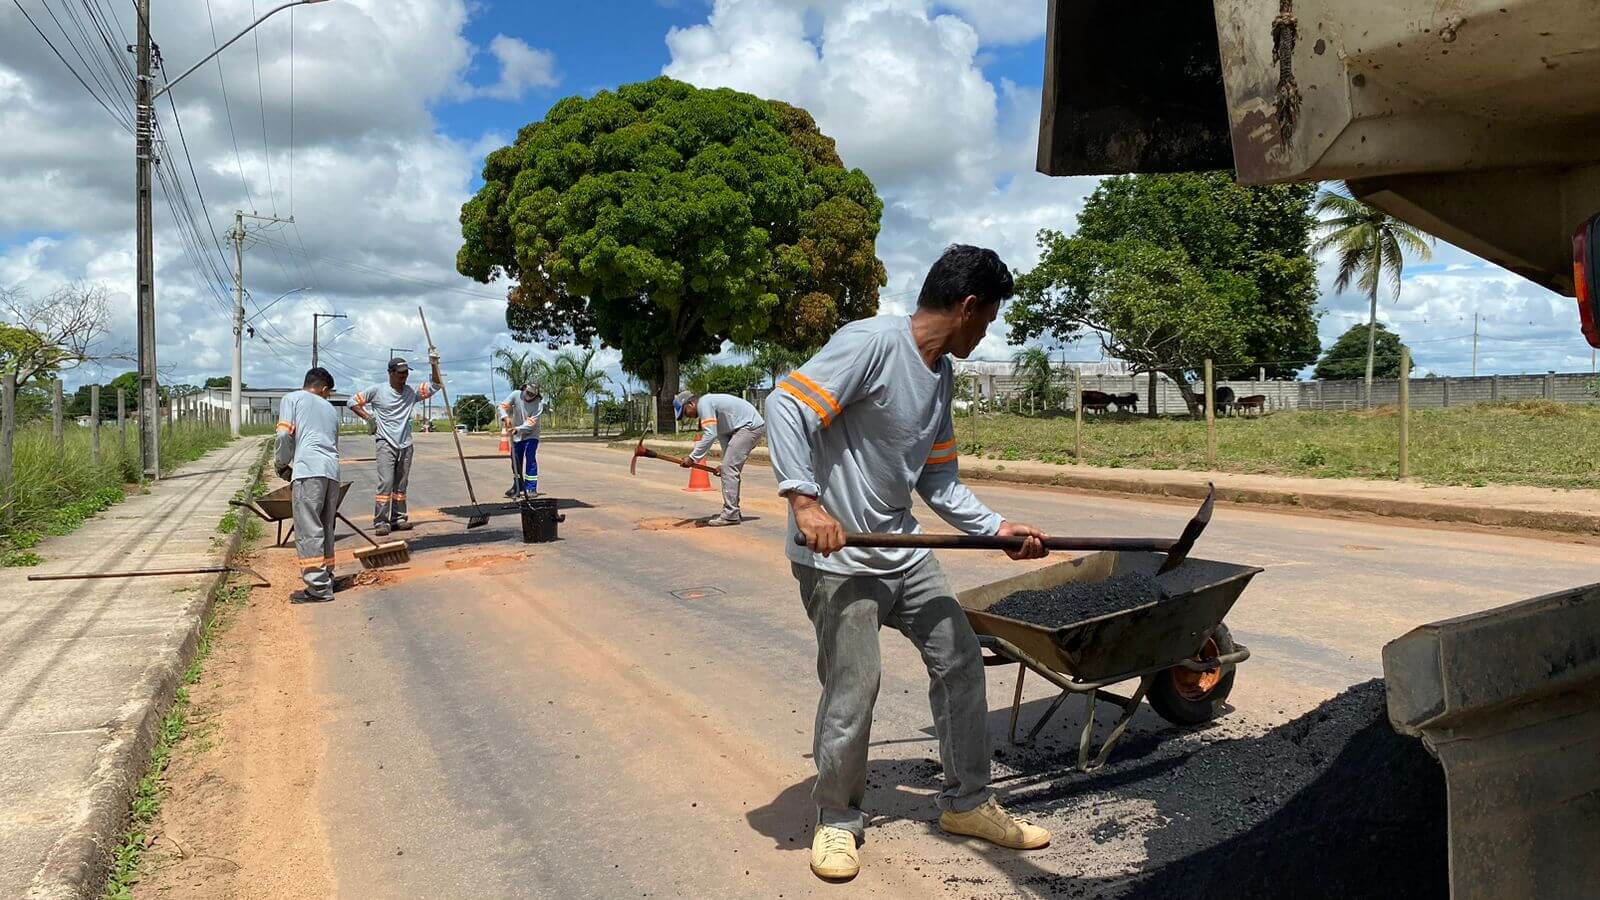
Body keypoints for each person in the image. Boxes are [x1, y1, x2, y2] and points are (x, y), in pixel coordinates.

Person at [765, 245, 1052, 882]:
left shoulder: (940, 375)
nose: (986, 332)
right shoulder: (871, 343)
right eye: (988, 319)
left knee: (960, 657)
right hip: (840, 561)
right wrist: (805, 501)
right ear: (967, 305)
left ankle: (968, 802)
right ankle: (837, 821)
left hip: (902, 548)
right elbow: (785, 404)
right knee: (854, 684)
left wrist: (996, 529)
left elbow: (940, 480)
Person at [349, 354, 442, 536]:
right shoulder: (377, 391)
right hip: (385, 442)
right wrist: (368, 417)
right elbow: (352, 401)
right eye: (400, 373)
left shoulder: (411, 392)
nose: (404, 376)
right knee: (386, 483)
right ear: (390, 373)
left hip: (405, 444)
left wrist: (434, 364)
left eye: (406, 373)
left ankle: (398, 518)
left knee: (401, 485)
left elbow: (436, 385)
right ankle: (381, 521)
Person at [274, 367, 342, 604]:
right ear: (323, 388)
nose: (327, 396)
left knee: (308, 529)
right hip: (332, 472)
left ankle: (318, 588)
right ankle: (327, 577)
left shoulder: (291, 399)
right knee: (326, 527)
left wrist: (281, 463)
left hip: (308, 471)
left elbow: (283, 436)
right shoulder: (331, 411)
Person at [673, 390, 765, 526]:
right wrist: (724, 464)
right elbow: (722, 436)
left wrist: (692, 458)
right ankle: (732, 511)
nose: (688, 417)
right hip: (747, 427)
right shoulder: (712, 408)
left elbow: (710, 434)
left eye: (686, 412)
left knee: (730, 469)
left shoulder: (704, 403)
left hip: (749, 427)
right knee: (728, 468)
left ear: (691, 404)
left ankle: (731, 514)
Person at [500, 382, 544, 498]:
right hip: (517, 436)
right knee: (515, 461)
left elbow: (530, 424)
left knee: (530, 458)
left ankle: (531, 488)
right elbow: (502, 406)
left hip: (531, 435)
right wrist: (505, 417)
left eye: (532, 395)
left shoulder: (538, 405)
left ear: (536, 395)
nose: (529, 396)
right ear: (524, 389)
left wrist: (516, 429)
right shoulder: (516, 395)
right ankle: (518, 485)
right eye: (528, 393)